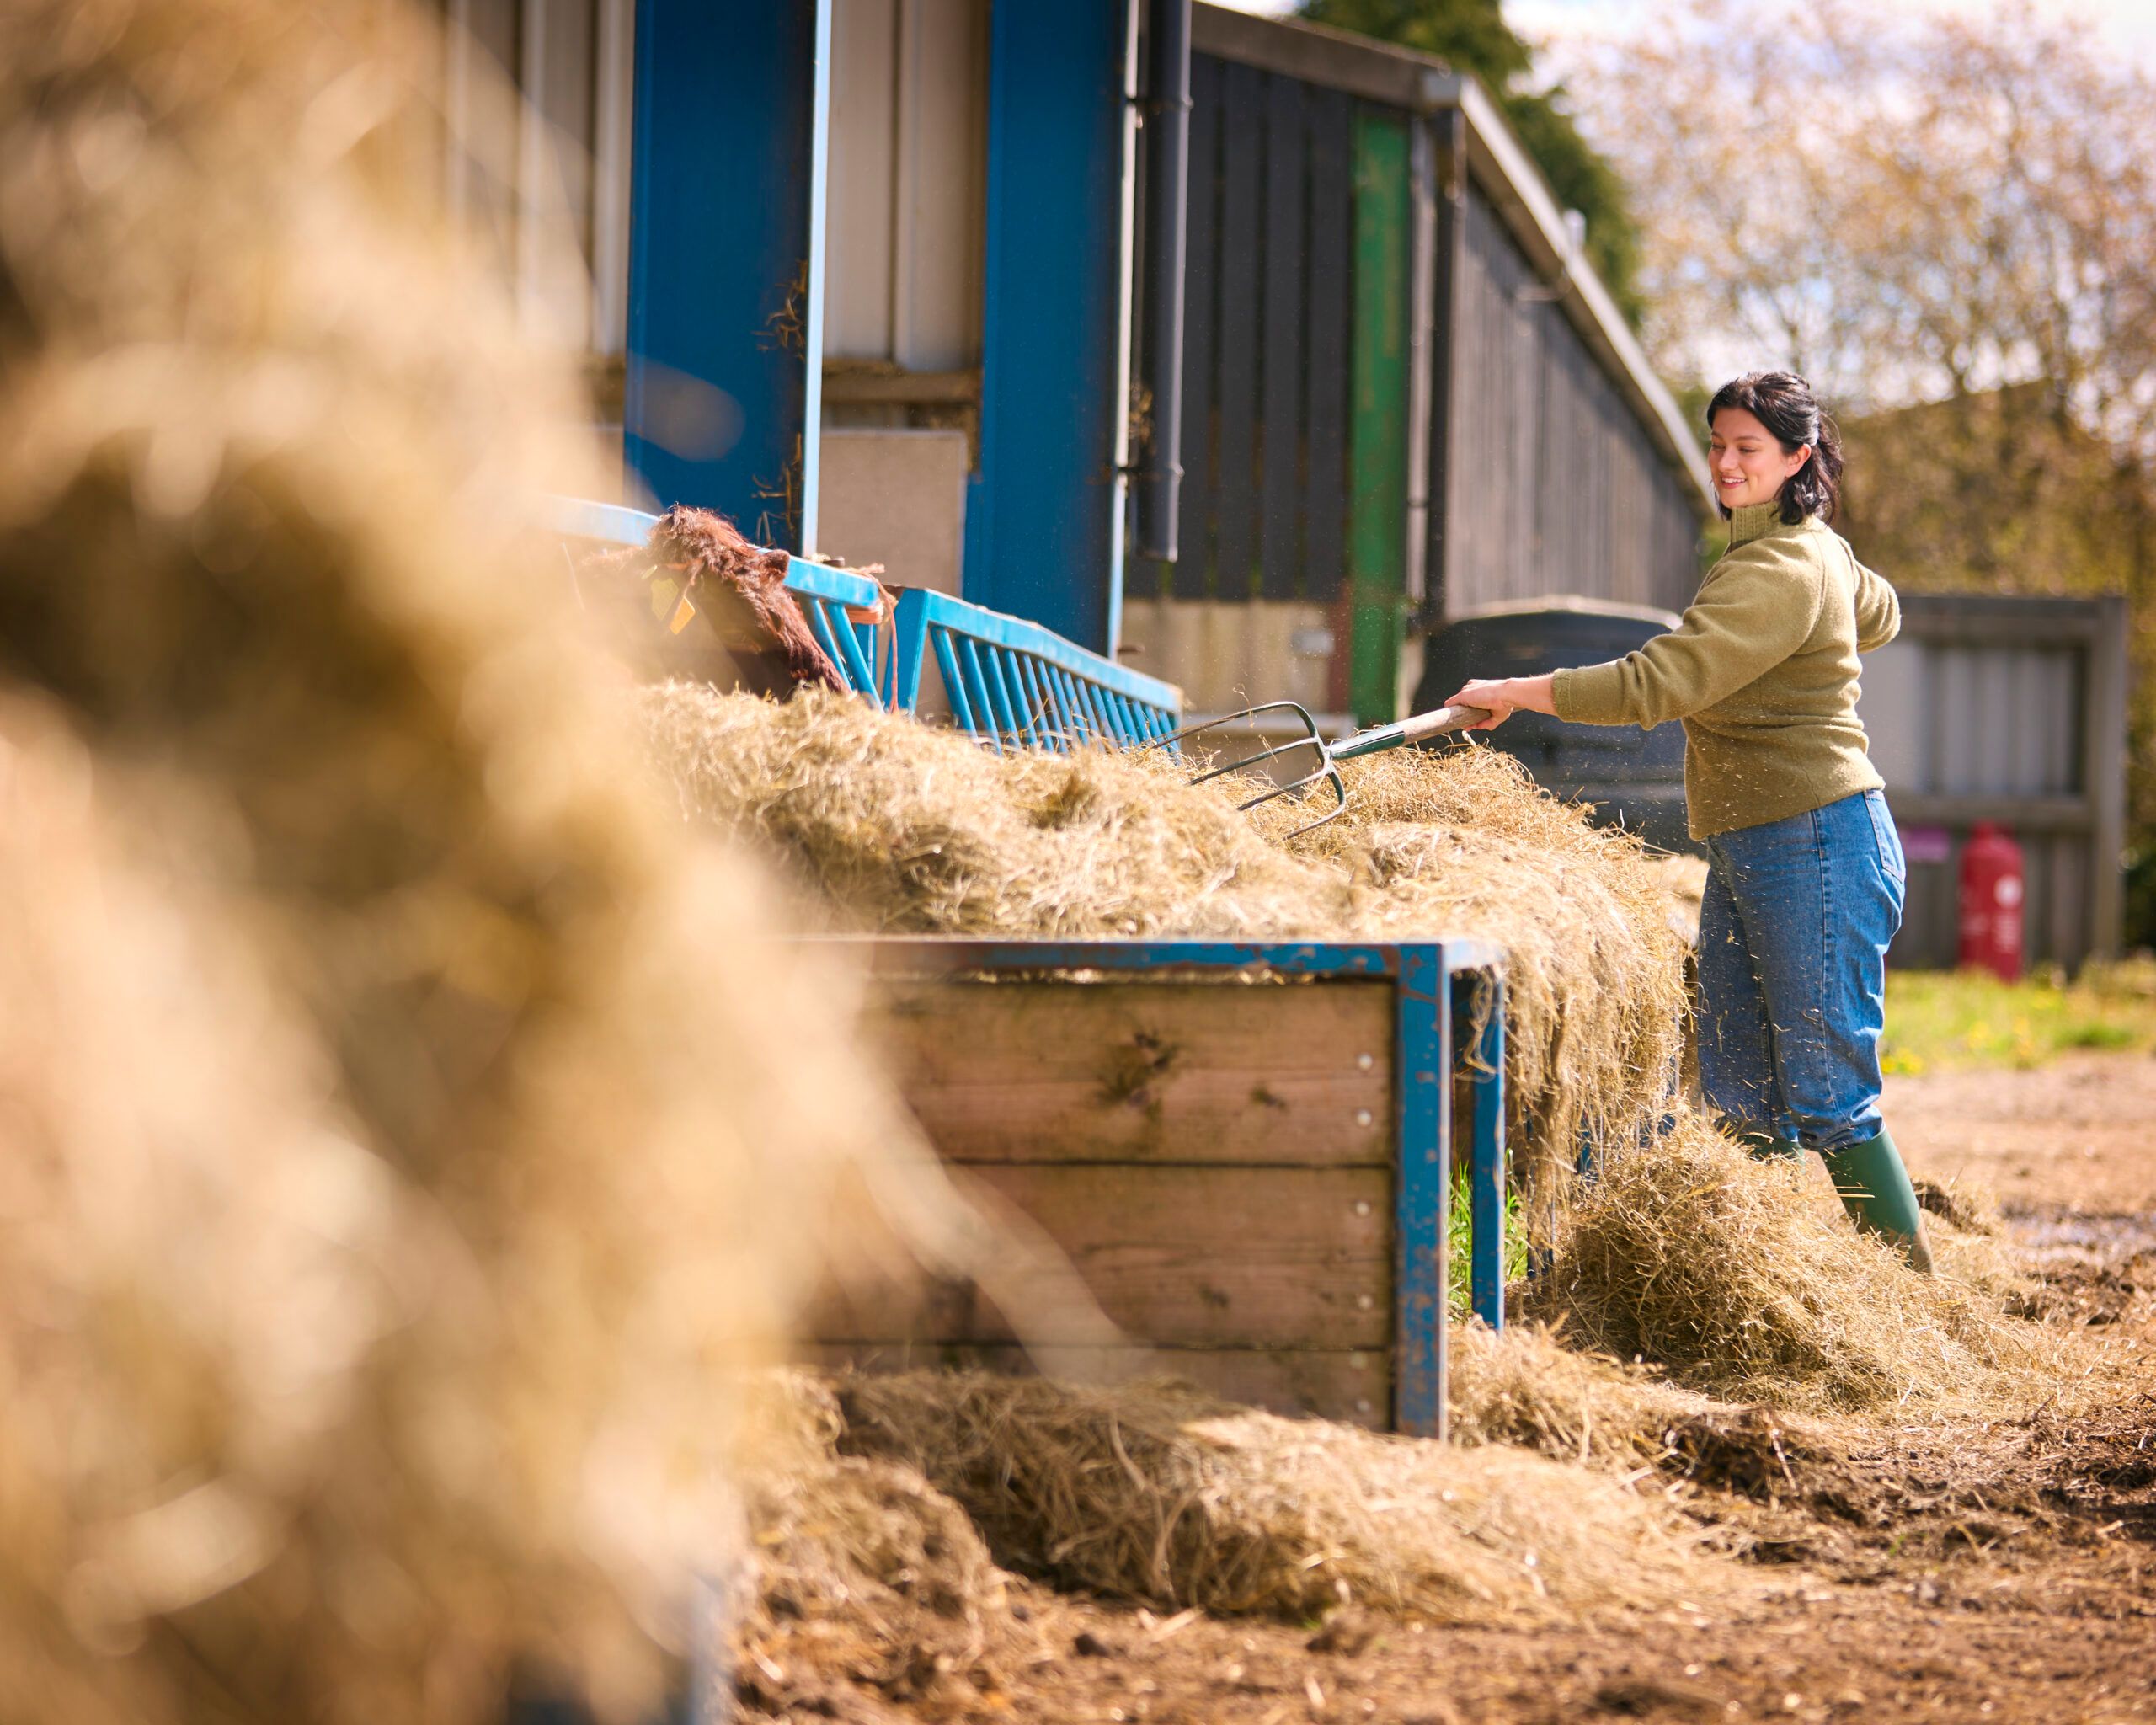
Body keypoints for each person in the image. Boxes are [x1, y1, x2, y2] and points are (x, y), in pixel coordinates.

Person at [1445, 370, 1933, 1274]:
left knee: (1828, 1094)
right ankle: (1776, 1280)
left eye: (1748, 448)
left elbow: (1654, 684)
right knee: (1743, 1088)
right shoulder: (1796, 551)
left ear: (1797, 458)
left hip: (1817, 840)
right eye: (1717, 444)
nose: (1724, 463)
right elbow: (1882, 609)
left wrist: (1514, 691)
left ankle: (1913, 1307)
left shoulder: (1779, 568)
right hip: (1757, 842)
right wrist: (1828, 569)